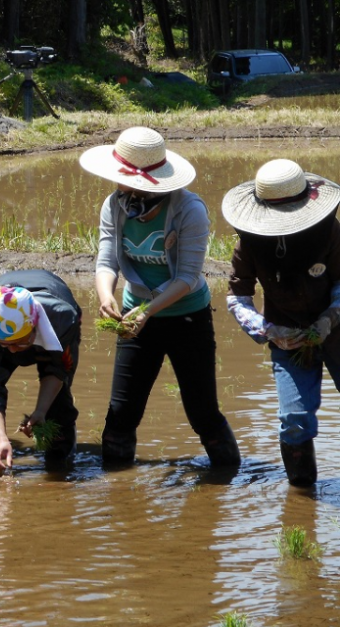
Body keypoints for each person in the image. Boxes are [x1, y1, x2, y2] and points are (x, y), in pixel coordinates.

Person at [79, 126, 241, 467]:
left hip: (186, 317)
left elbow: (187, 277)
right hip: (134, 314)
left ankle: (226, 480)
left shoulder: (188, 210)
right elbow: (106, 257)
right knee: (121, 413)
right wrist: (105, 293)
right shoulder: (115, 205)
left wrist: (148, 311)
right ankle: (117, 494)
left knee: (202, 413)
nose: (116, 183)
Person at [222, 159, 340, 487]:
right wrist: (268, 330)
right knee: (294, 420)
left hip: (336, 329)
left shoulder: (329, 230)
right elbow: (237, 297)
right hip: (285, 335)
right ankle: (302, 500)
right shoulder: (249, 241)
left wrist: (330, 319)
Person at [0, 270, 82, 472]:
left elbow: (59, 369)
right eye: (5, 344)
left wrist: (41, 411)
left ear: (35, 326)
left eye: (19, 343)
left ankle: (61, 464)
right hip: (6, 335)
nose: (13, 351)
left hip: (53, 317)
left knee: (58, 407)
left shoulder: (63, 319)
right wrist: (1, 439)